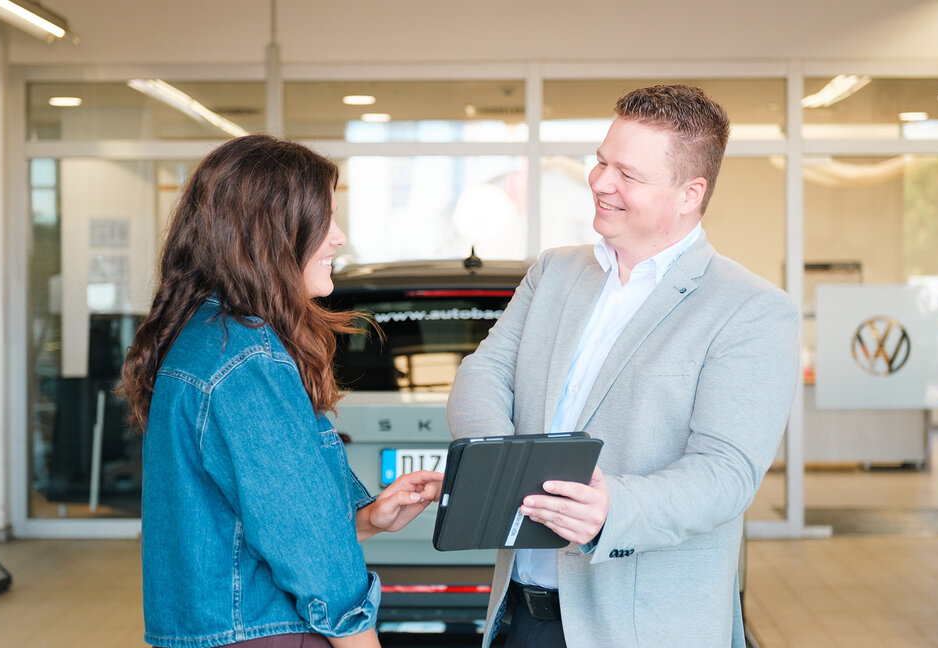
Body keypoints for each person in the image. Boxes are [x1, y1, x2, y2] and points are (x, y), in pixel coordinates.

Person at [447, 85, 799, 647]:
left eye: (628, 174)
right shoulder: (553, 274)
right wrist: (501, 468)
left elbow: (725, 473)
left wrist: (614, 509)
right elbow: (483, 373)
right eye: (601, 161)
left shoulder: (751, 309)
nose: (600, 181)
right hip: (519, 615)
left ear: (690, 193)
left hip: (644, 629)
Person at [118, 135, 443, 648]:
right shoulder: (246, 359)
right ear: (272, 233)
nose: (339, 238)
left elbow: (255, 521)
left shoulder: (203, 338)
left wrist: (366, 519)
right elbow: (311, 553)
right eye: (325, 221)